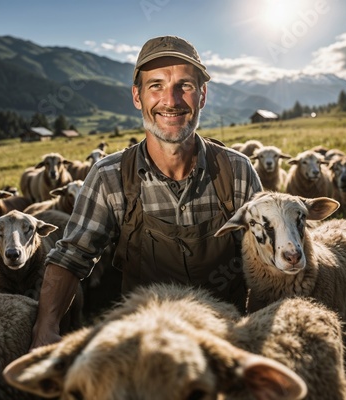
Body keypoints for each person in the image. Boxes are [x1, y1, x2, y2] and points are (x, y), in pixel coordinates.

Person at [30, 35, 262, 350]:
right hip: (145, 346)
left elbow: (265, 262)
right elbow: (71, 258)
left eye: (185, 86)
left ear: (202, 96)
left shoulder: (237, 171)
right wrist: (46, 327)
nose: (171, 100)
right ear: (137, 97)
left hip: (226, 342)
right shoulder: (108, 177)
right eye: (156, 86)